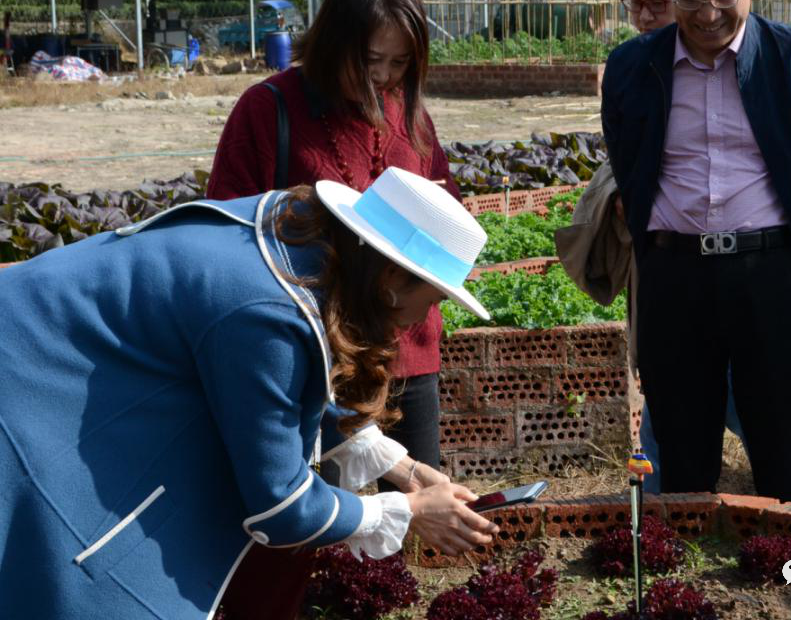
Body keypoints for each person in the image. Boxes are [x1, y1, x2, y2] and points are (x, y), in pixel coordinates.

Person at [0, 167, 500, 620]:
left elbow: (273, 393)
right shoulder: (268, 312)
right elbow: (281, 507)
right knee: (65, 546)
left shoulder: (300, 234)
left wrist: (404, 471)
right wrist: (408, 511)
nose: (427, 317)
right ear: (390, 278)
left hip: (45, 347)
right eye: (433, 299)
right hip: (27, 375)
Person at [207, 0, 459, 616]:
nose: (384, 79)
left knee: (404, 526)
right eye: (370, 61)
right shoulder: (270, 109)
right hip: (304, 353)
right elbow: (228, 236)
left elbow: (443, 218)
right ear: (333, 43)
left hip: (404, 352)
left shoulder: (412, 116)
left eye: (400, 64)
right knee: (298, 529)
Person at [601, 0, 791, 504]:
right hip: (674, 275)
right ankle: (686, 559)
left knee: (785, 444)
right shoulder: (632, 68)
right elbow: (631, 164)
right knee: (681, 448)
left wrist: (790, 242)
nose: (708, 13)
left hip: (773, 275)